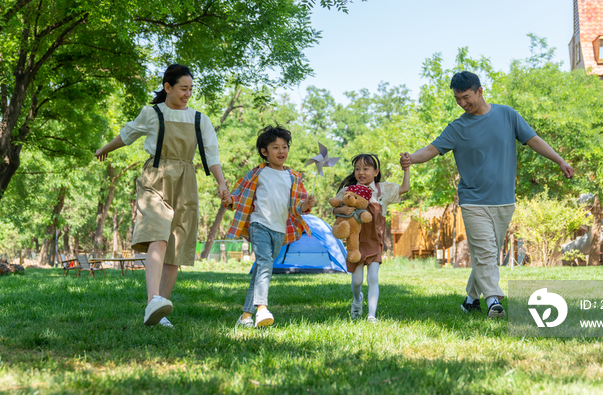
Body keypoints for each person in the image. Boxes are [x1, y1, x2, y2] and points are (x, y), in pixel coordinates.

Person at [400, 71, 573, 319]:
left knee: (487, 255)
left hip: (504, 200)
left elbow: (533, 140)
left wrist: (559, 161)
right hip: (473, 201)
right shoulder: (457, 128)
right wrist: (410, 159)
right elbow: (431, 149)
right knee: (487, 253)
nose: (462, 103)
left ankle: (471, 300)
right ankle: (494, 301)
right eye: (457, 99)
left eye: (466, 97)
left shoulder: (507, 115)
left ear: (480, 91)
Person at [95, 64, 229, 327]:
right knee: (157, 234)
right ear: (168, 87)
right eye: (183, 88)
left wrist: (221, 184)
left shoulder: (200, 119)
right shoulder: (152, 113)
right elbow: (127, 135)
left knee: (175, 247)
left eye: (190, 89)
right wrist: (104, 149)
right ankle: (152, 300)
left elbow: (212, 155)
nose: (188, 93)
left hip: (186, 181)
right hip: (156, 177)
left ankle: (159, 312)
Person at [222, 125, 316, 328]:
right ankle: (262, 309)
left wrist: (305, 205)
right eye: (275, 147)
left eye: (284, 146)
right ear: (264, 152)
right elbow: (238, 195)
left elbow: (296, 207)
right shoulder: (257, 173)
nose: (281, 151)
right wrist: (228, 199)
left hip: (279, 231)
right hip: (259, 225)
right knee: (264, 264)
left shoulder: (293, 176)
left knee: (260, 271)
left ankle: (245, 316)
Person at [333, 154, 410, 323]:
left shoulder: (383, 189)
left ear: (376, 172)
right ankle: (357, 299)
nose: (361, 172)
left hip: (375, 241)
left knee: (373, 277)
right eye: (357, 169)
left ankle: (371, 315)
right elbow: (335, 209)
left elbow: (405, 188)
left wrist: (406, 169)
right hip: (356, 242)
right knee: (357, 281)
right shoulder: (348, 191)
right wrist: (342, 211)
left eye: (365, 169)